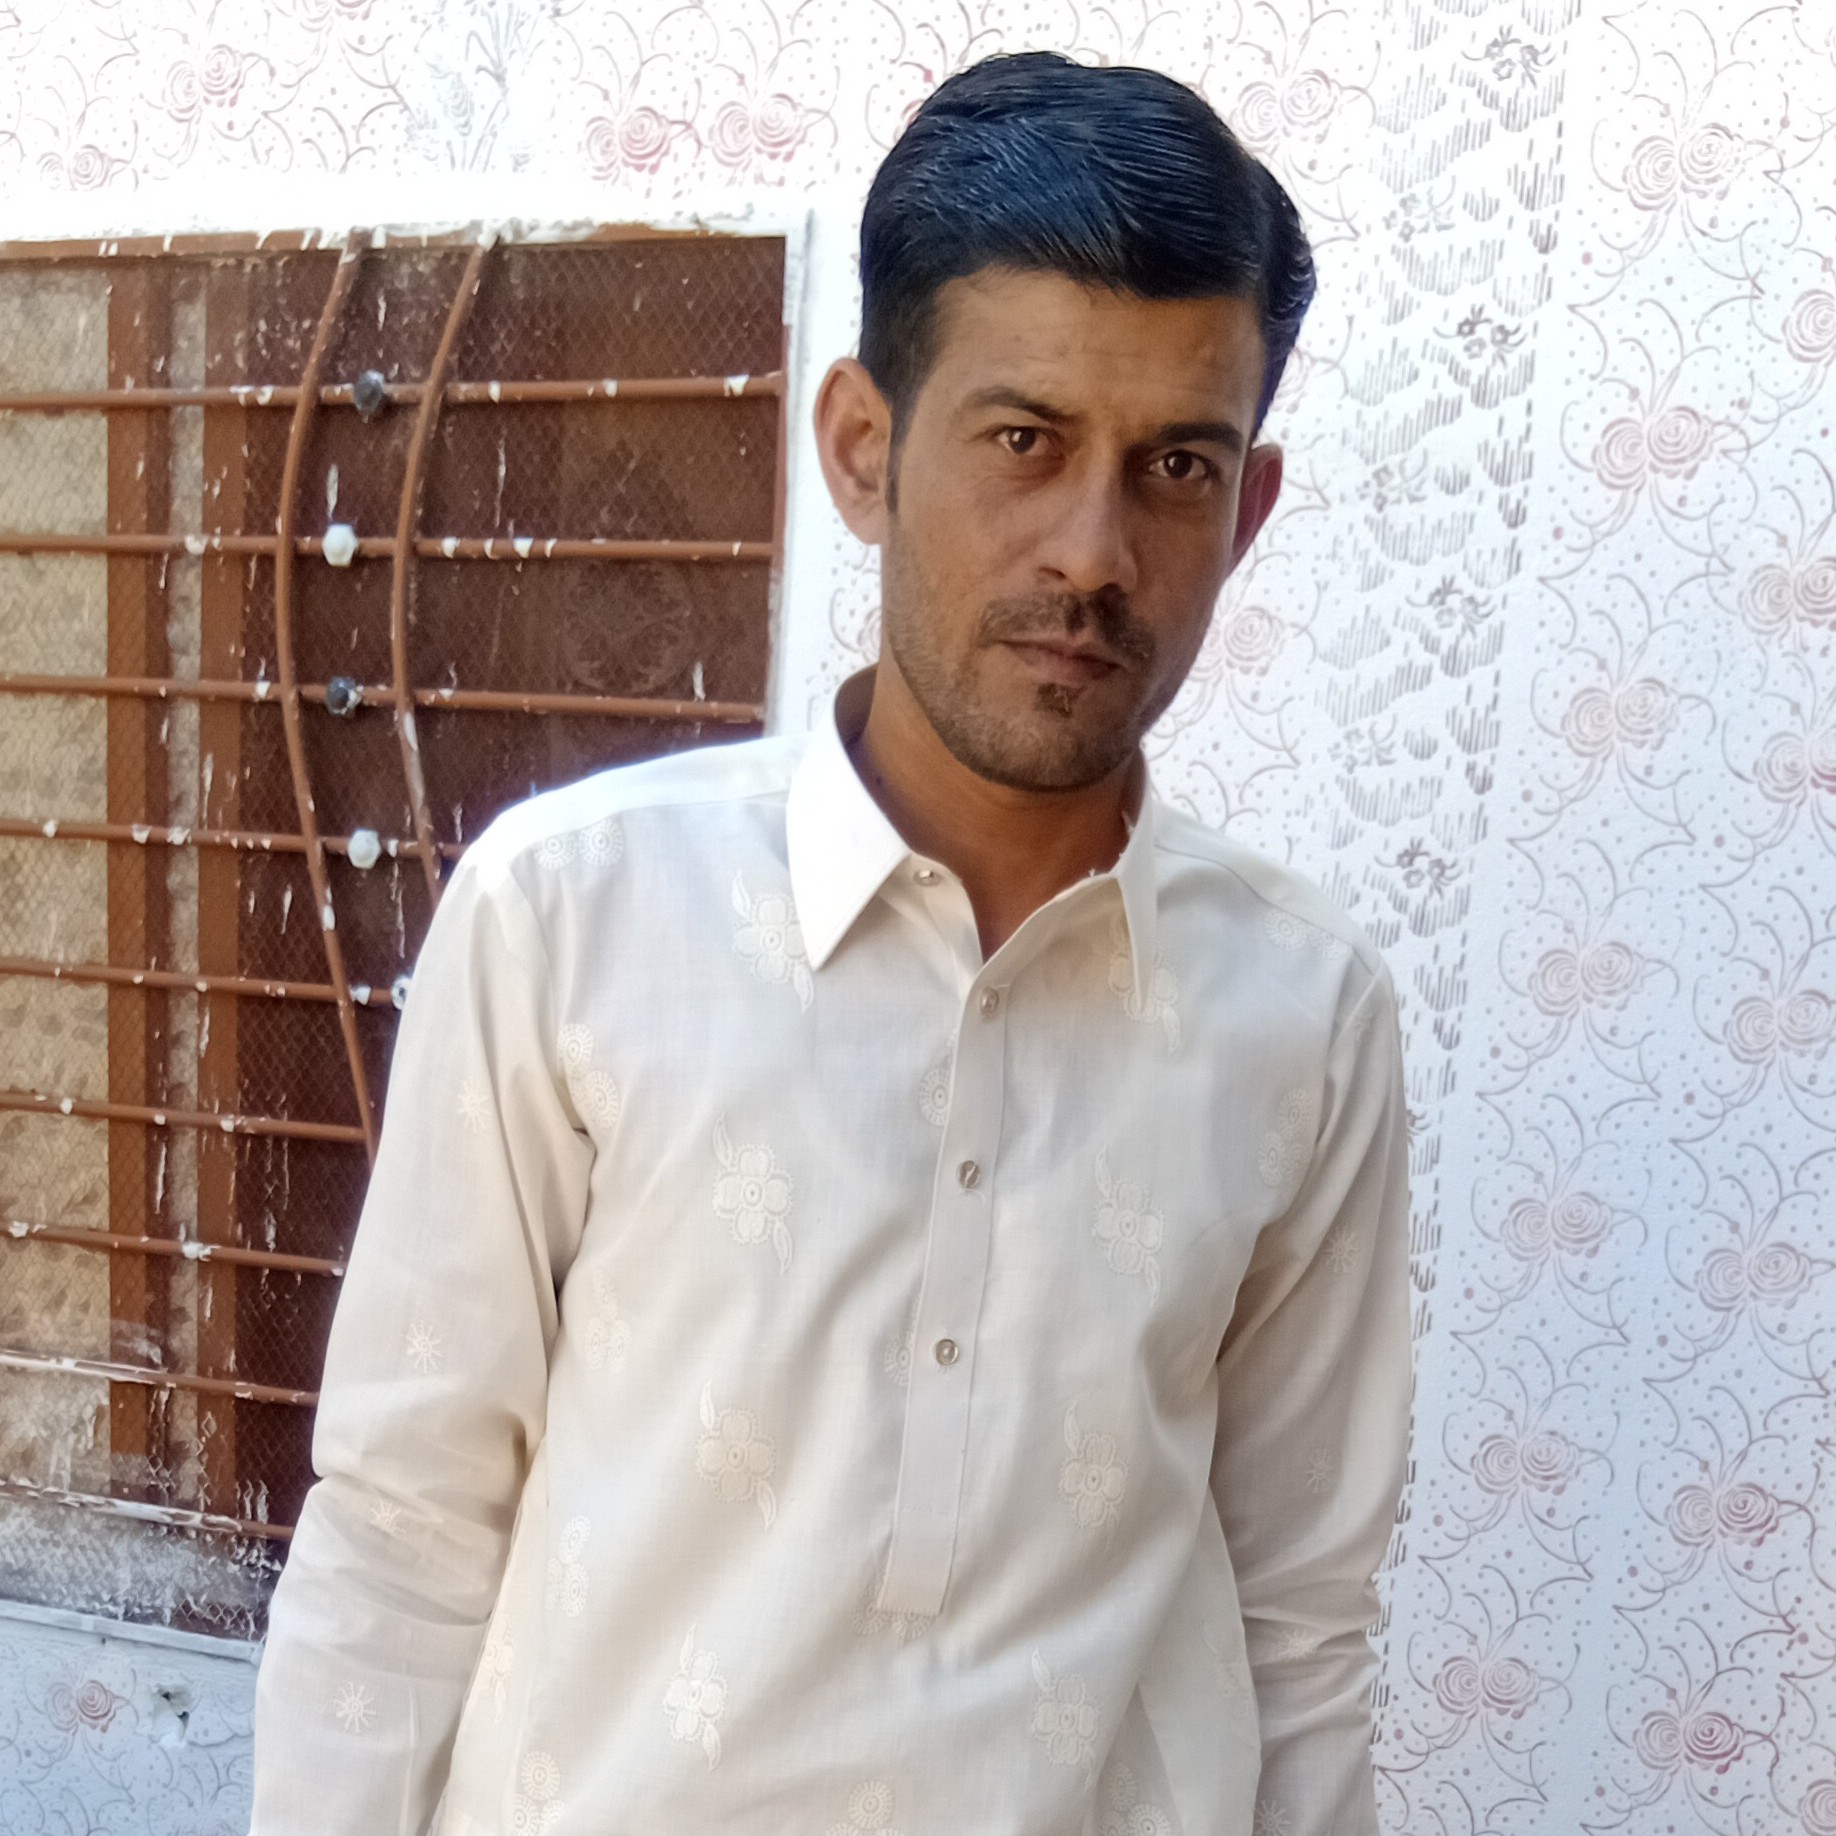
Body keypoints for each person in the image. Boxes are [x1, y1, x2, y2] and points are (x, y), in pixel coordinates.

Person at [250, 50, 1412, 1836]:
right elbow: (403, 1530)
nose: (1093, 551)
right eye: (1023, 441)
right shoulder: (573, 916)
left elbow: (1300, 1613)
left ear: (1246, 511)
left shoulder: (1304, 1012)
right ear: (866, 450)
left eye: (1175, 466)